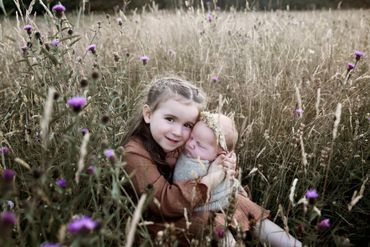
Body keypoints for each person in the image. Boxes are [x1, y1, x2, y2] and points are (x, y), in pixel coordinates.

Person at [122, 77, 301, 246]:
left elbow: (209, 146)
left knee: (241, 204)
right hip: (155, 219)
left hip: (192, 204)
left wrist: (225, 162)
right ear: (148, 114)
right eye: (170, 119)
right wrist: (212, 179)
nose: (177, 132)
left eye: (188, 125)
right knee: (209, 223)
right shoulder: (134, 153)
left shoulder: (182, 141)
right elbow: (164, 202)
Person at [173, 111, 242, 213]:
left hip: (227, 200)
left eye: (200, 145)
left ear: (220, 153)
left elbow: (228, 178)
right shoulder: (191, 165)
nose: (191, 144)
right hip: (206, 210)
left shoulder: (219, 161)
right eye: (191, 137)